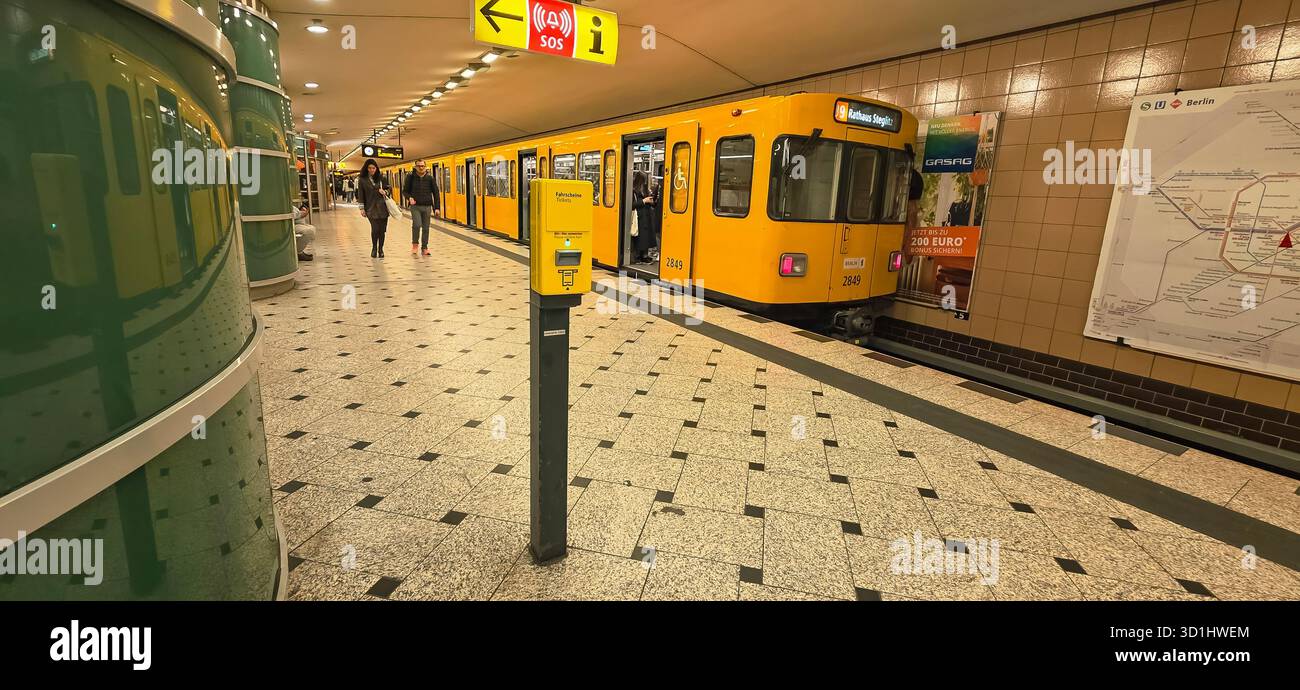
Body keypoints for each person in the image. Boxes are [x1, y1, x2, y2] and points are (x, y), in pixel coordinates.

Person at [402, 160, 440, 256]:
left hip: (427, 206)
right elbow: (405, 191)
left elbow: (436, 193)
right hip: (415, 206)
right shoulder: (410, 177)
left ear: (426, 167)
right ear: (415, 167)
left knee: (426, 228)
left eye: (423, 166)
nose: (421, 168)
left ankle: (424, 248)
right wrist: (409, 198)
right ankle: (415, 245)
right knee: (417, 225)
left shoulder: (430, 178)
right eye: (419, 166)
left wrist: (437, 208)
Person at [357, 158, 390, 258]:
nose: (372, 170)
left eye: (373, 168)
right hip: (370, 208)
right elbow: (361, 194)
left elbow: (389, 189)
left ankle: (381, 249)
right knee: (375, 229)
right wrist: (362, 208)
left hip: (383, 207)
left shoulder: (381, 178)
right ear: (366, 169)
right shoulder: (362, 180)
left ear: (376, 168)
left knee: (382, 230)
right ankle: (374, 248)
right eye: (370, 168)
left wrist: (385, 192)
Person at [631, 170, 656, 264]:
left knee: (646, 237)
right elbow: (631, 205)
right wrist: (644, 201)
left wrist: (651, 201)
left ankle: (644, 255)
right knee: (640, 237)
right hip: (639, 216)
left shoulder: (645, 190)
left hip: (647, 216)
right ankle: (638, 256)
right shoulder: (633, 191)